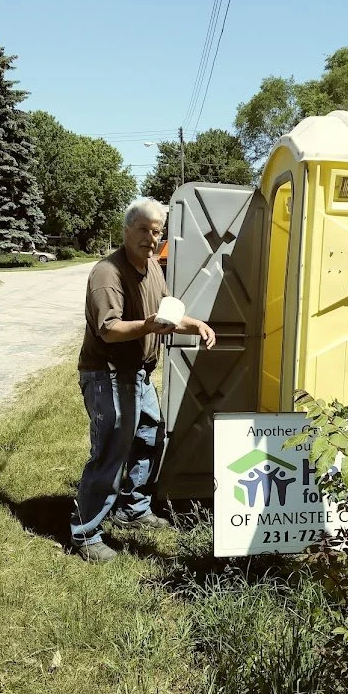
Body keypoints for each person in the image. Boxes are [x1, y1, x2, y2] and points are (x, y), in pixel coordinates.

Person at [71, 197, 216, 562]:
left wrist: (195, 324)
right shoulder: (108, 274)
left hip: (137, 374)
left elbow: (165, 311)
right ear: (126, 231)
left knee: (151, 436)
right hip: (107, 375)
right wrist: (148, 326)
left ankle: (132, 509)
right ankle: (85, 534)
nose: (151, 239)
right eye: (143, 230)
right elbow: (109, 330)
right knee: (110, 452)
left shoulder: (152, 267)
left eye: (156, 232)